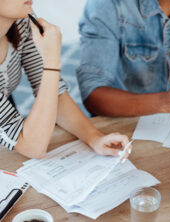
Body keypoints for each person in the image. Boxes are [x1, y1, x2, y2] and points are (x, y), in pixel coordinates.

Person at [0, 0, 131, 159]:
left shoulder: (21, 22)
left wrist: (94, 138)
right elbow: (34, 148)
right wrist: (51, 60)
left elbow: (53, 92)